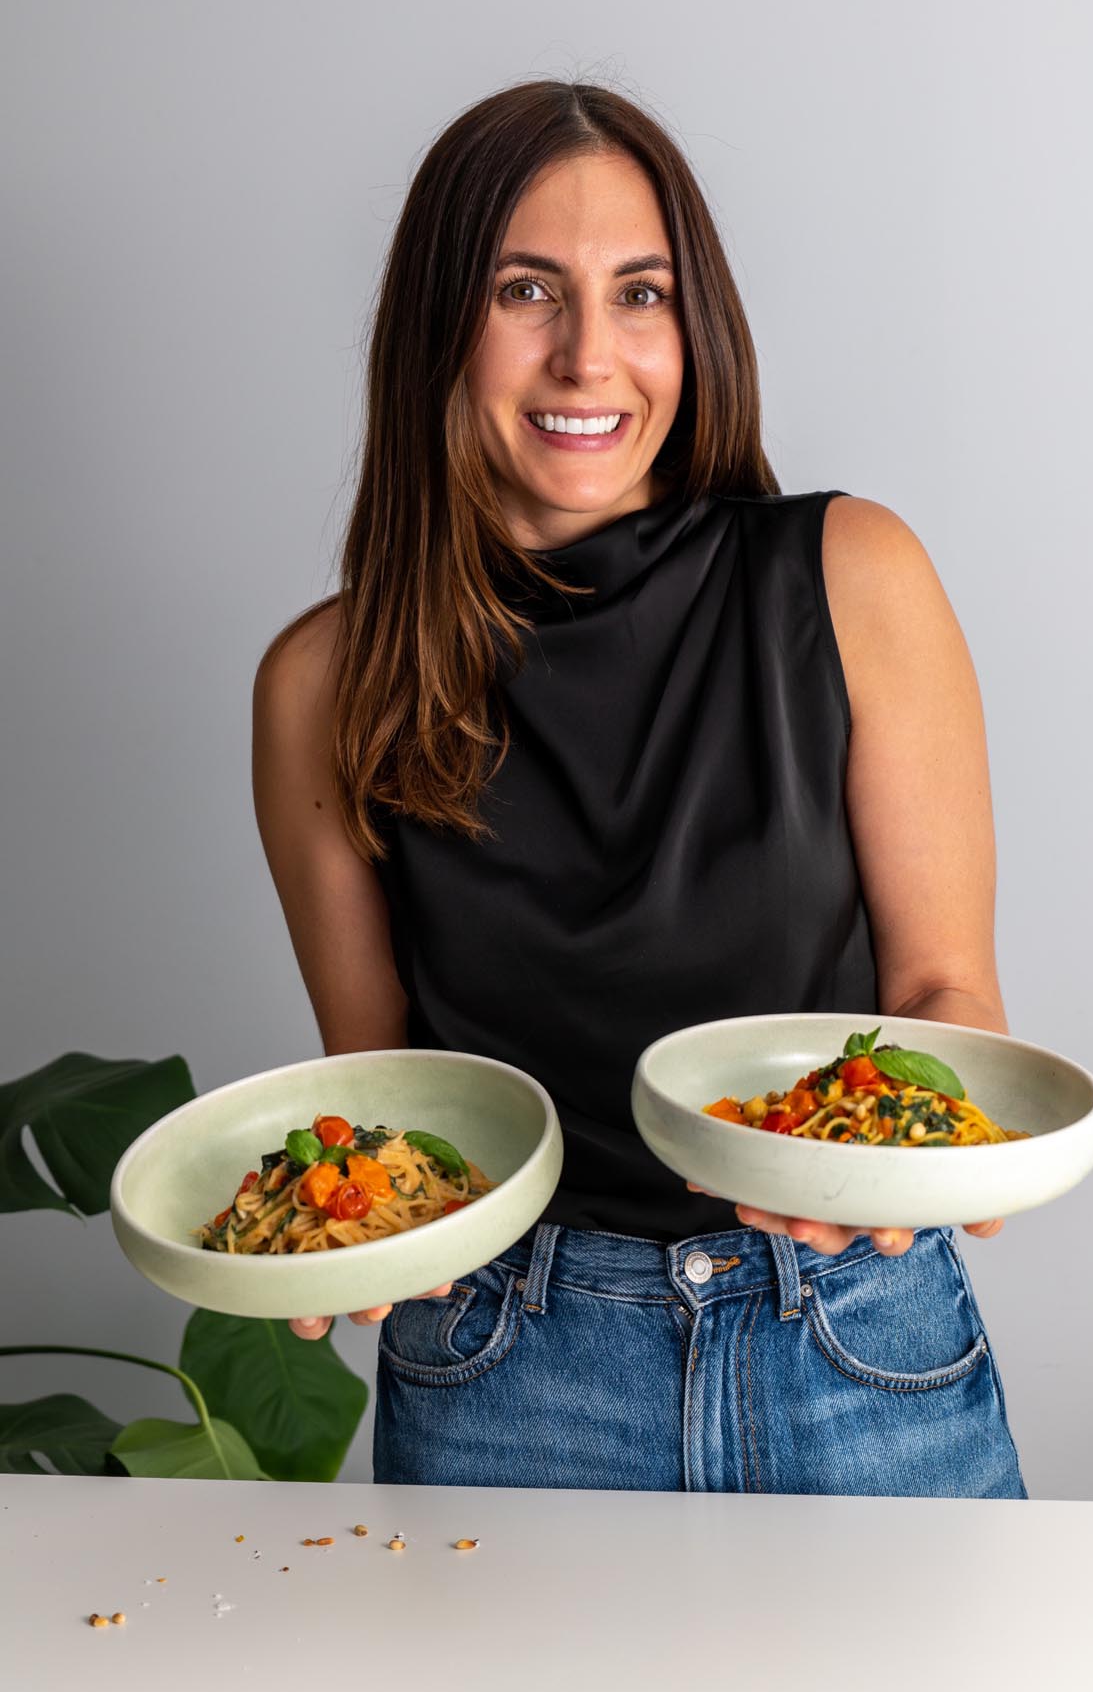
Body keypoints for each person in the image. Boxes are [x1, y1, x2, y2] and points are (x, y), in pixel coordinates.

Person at [252, 80, 1025, 1498]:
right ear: (440, 325)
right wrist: (342, 1230)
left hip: (849, 1333)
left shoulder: (855, 576)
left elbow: (944, 1000)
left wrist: (905, 1173)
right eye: (527, 290)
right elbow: (391, 1092)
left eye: (642, 293)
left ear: (697, 326)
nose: (589, 356)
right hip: (502, 1364)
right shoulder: (325, 681)